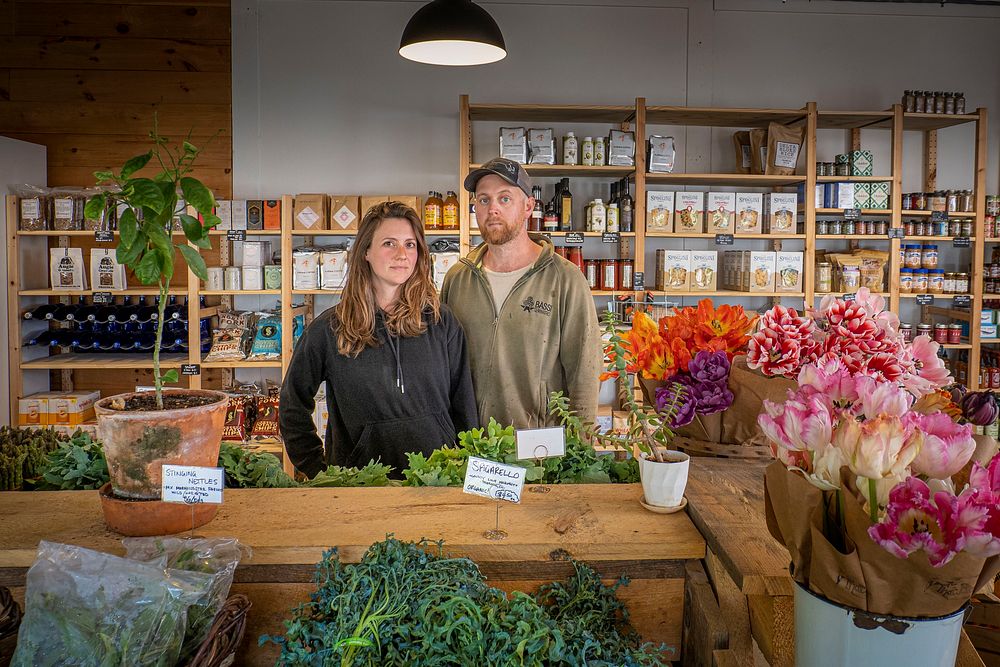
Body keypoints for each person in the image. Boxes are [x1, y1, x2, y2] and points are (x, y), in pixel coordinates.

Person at [279, 201, 478, 478]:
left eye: (410, 244)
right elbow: (292, 405)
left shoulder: (442, 323)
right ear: (366, 253)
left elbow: (464, 406)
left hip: (436, 480)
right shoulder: (329, 329)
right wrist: (318, 470)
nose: (402, 254)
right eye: (389, 243)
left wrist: (463, 467)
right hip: (359, 486)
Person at [441, 157, 601, 428]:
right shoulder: (458, 278)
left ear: (528, 207)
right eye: (483, 200)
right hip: (469, 447)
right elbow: (442, 367)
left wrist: (579, 451)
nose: (492, 209)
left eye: (505, 199)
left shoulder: (565, 279)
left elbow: (584, 374)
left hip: (537, 450)